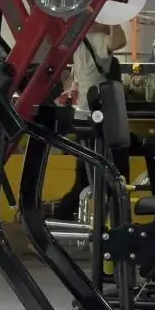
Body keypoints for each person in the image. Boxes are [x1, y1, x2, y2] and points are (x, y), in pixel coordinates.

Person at [54, 23, 128, 221]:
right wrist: (115, 20)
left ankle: (65, 212)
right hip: (98, 118)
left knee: (86, 173)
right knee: (114, 172)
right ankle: (115, 218)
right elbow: (120, 40)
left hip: (83, 116)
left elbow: (71, 80)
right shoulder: (95, 40)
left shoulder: (79, 43)